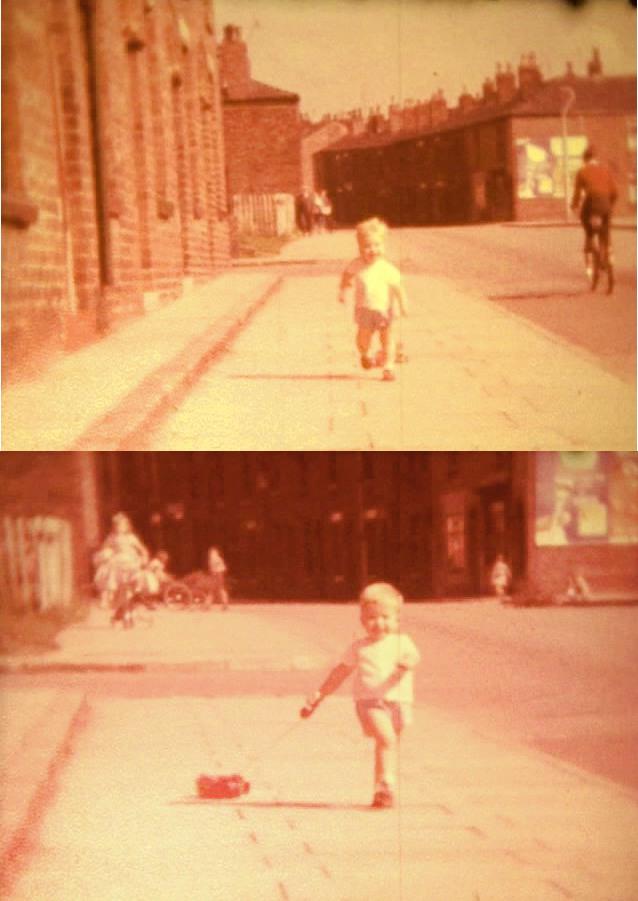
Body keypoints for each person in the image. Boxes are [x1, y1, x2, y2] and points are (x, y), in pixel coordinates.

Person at [300, 581, 420, 809]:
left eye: (385, 617)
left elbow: (414, 657)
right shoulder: (359, 648)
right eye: (372, 618)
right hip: (370, 702)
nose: (379, 623)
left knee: (387, 746)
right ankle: (387, 784)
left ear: (397, 619)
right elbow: (340, 672)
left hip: (400, 703)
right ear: (362, 620)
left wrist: (406, 663)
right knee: (387, 740)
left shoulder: (402, 642)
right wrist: (320, 693)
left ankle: (380, 791)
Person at [338, 217, 408, 382]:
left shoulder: (387, 268)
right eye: (367, 246)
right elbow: (347, 274)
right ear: (360, 248)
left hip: (385, 310)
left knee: (387, 338)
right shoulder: (357, 264)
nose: (372, 250)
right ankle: (365, 354)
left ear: (383, 246)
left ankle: (389, 367)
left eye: (377, 245)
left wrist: (403, 303)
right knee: (363, 338)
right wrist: (343, 289)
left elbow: (398, 287)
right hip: (364, 310)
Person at [570, 145, 617, 279]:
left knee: (588, 228)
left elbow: (577, 194)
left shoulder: (582, 171)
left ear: (585, 159)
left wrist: (574, 206)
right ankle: (609, 254)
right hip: (606, 205)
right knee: (606, 233)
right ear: (595, 158)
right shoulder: (605, 170)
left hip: (591, 205)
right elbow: (615, 192)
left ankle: (590, 242)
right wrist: (609, 205)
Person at [93, 512, 149, 612]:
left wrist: (144, 556)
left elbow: (142, 549)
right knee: (109, 569)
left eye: (122, 526)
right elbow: (104, 548)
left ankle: (135, 590)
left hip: (130, 559)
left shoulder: (131, 538)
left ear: (127, 527)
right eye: (118, 526)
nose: (120, 528)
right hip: (117, 559)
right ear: (114, 527)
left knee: (136, 572)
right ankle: (108, 595)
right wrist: (106, 553)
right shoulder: (112, 538)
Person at [208, 546, 229, 610]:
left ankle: (207, 605)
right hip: (219, 574)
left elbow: (214, 568)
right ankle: (224, 604)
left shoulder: (214, 558)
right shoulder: (218, 558)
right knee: (219, 589)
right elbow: (223, 567)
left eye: (212, 552)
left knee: (214, 590)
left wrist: (214, 573)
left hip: (217, 575)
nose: (211, 553)